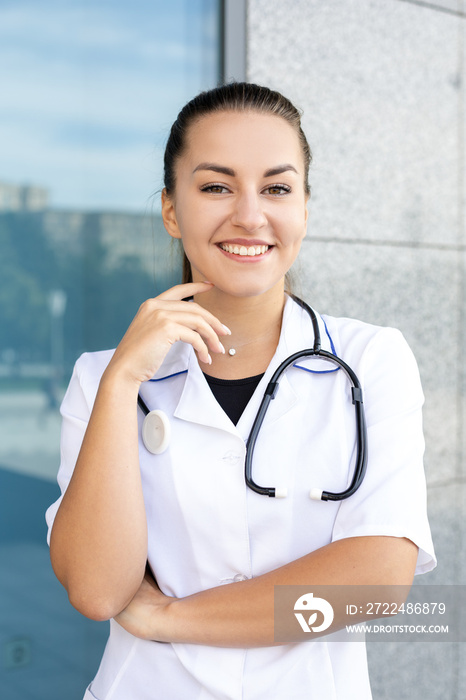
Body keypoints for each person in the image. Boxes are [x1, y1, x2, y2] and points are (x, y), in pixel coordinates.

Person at [46, 82, 436, 699]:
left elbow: (376, 582)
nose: (250, 215)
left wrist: (167, 616)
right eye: (216, 186)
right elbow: (96, 589)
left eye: (277, 188)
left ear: (304, 208)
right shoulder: (103, 378)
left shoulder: (370, 361)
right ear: (172, 209)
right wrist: (123, 383)